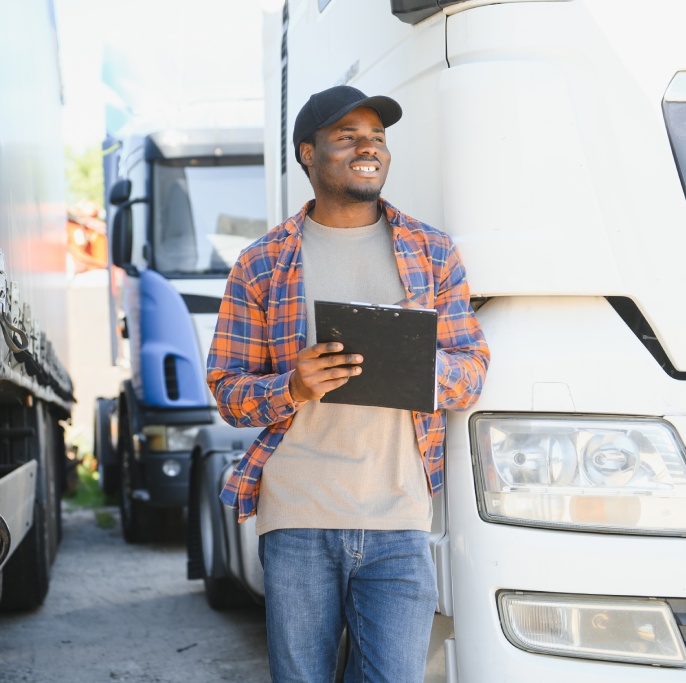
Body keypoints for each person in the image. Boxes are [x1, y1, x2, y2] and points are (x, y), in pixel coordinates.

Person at [206, 85, 490, 683]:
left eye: (378, 137)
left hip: (400, 519)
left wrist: (418, 365)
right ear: (308, 153)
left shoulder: (432, 252)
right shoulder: (261, 263)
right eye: (348, 136)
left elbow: (471, 368)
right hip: (299, 518)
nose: (369, 147)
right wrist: (293, 386)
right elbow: (227, 389)